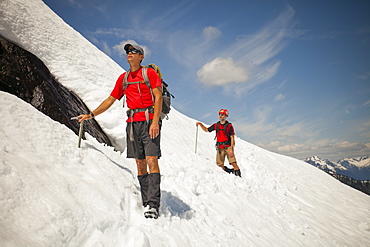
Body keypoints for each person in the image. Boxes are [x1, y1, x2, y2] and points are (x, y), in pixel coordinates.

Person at [78, 43, 163, 219]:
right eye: (128, 52)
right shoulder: (123, 78)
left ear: (141, 56)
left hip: (149, 122)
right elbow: (111, 99)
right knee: (140, 163)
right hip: (132, 124)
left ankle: (153, 205)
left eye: (134, 51)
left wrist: (155, 121)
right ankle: (146, 200)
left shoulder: (149, 74)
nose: (129, 54)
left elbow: (158, 96)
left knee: (151, 159)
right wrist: (91, 114)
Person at [196, 109, 241, 177]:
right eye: (220, 114)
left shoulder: (229, 126)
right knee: (219, 165)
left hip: (228, 147)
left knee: (233, 163)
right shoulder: (216, 125)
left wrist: (231, 149)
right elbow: (206, 130)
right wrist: (200, 124)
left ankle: (239, 177)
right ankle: (229, 172)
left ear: (226, 116)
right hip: (220, 147)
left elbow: (232, 138)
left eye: (222, 115)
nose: (220, 116)